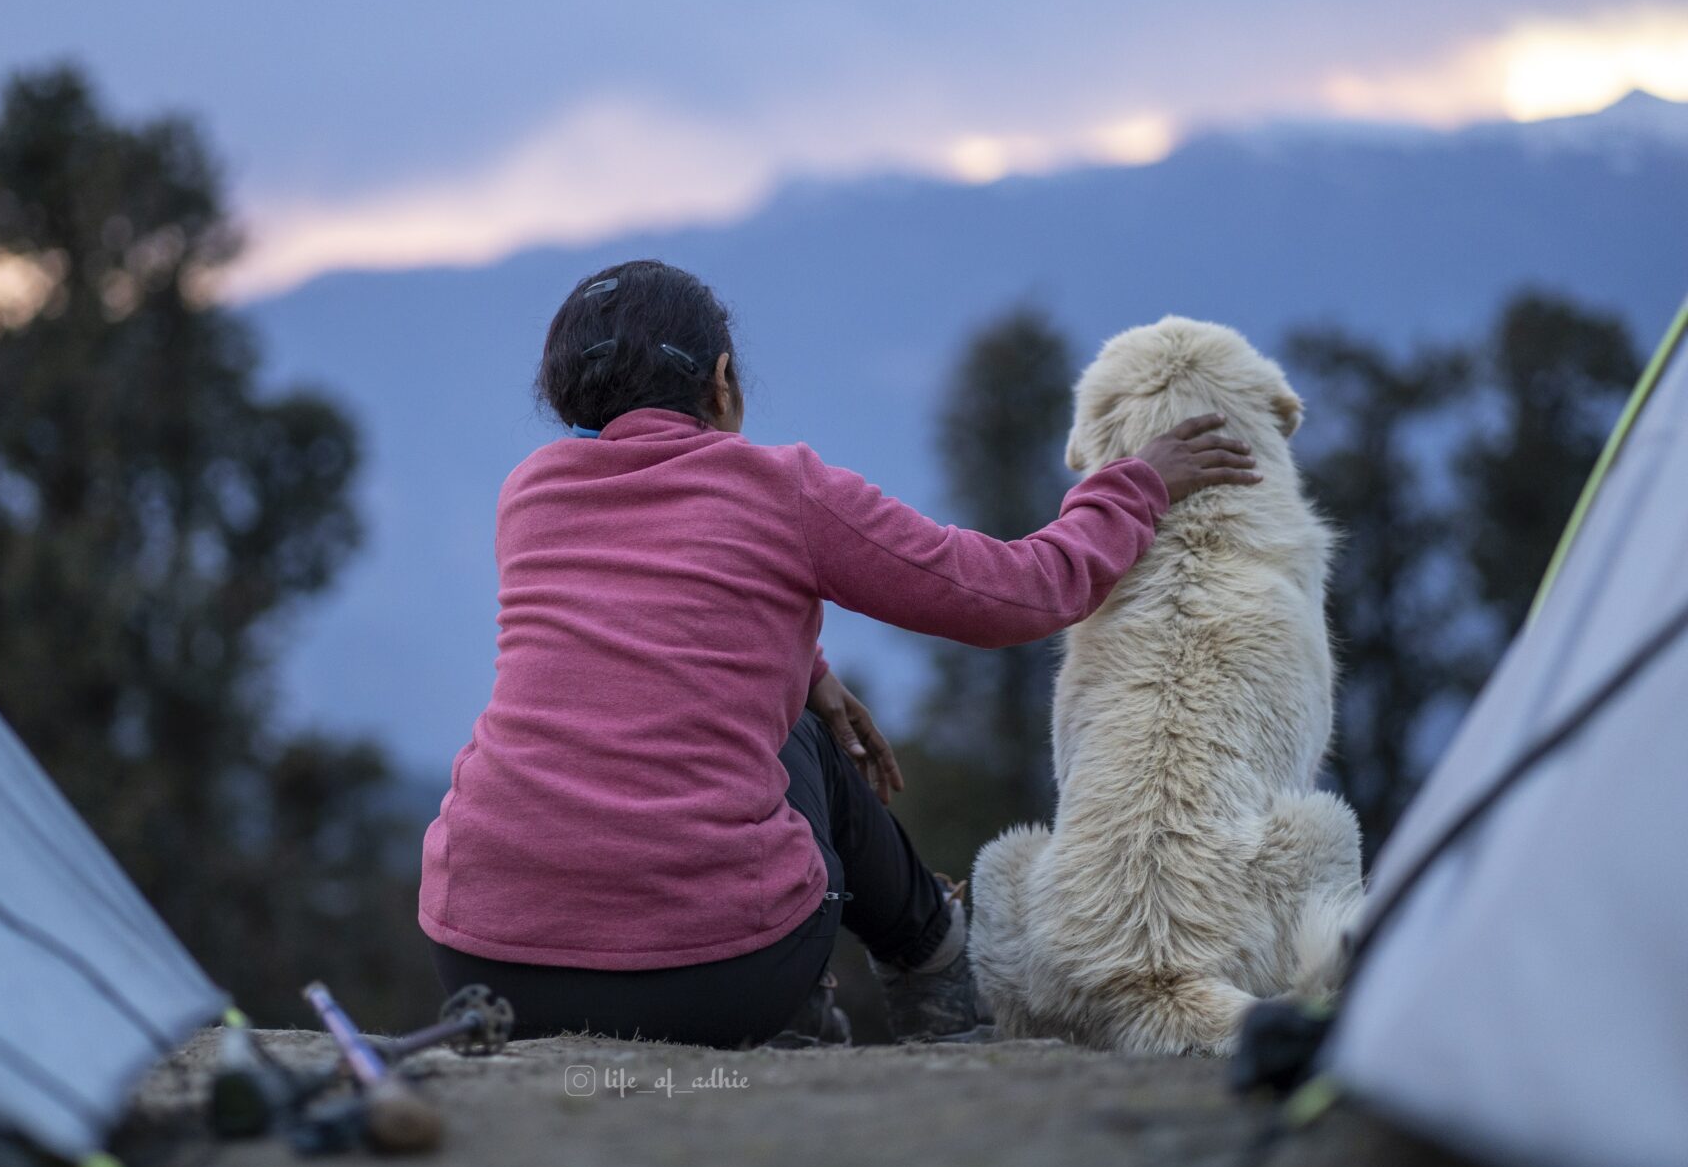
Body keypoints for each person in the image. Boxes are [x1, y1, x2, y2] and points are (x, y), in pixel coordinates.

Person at [418, 260, 1260, 1046]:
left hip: (486, 962)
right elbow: (1018, 595)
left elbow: (636, 628)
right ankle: (934, 968)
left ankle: (859, 980)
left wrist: (810, 675)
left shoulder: (530, 494)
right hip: (714, 977)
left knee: (782, 729)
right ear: (721, 383)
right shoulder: (782, 489)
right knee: (806, 749)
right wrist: (1136, 483)